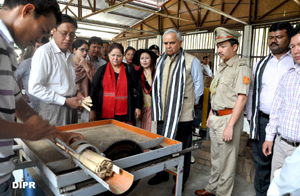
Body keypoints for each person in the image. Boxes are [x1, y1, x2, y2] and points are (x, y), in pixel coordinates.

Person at [0, 1, 83, 195]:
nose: (41, 38)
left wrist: (56, 134)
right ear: (27, 11)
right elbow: (34, 89)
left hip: (4, 173)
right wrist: (26, 131)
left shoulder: (7, 49)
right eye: (44, 30)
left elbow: (18, 102)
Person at [195, 27, 251, 196]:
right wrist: (211, 113)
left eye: (223, 45)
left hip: (229, 119)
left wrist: (230, 126)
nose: (219, 49)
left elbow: (242, 98)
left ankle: (222, 193)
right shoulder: (221, 67)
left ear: (234, 47)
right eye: (218, 46)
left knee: (227, 161)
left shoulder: (241, 67)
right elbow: (215, 92)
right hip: (217, 118)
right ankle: (212, 188)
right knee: (216, 157)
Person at [150, 29, 203, 193]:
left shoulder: (191, 61)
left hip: (182, 115)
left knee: (183, 149)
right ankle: (161, 174)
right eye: (165, 43)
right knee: (161, 146)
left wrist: (184, 103)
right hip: (162, 114)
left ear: (180, 43)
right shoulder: (161, 60)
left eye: (172, 42)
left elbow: (199, 89)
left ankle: (180, 179)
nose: (168, 46)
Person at [246, 22, 294, 196]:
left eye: (279, 37)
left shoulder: (295, 62)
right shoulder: (260, 63)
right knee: (262, 164)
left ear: (289, 38)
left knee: (286, 166)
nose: (274, 41)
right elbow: (252, 90)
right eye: (271, 37)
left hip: (288, 123)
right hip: (262, 120)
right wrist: (252, 118)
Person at [29, 14, 84, 126]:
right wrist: (64, 101)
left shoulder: (68, 54)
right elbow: (34, 88)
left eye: (72, 35)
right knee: (55, 141)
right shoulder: (44, 52)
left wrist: (77, 92)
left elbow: (68, 80)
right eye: (64, 34)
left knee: (71, 139)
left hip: (71, 105)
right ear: (54, 31)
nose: (68, 38)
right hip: (54, 108)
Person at [262, 24, 300, 183]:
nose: (296, 50)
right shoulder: (289, 76)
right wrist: (269, 137)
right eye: (293, 46)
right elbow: (277, 109)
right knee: (277, 187)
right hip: (281, 144)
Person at [89, 43, 142, 124]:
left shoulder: (129, 69)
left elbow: (138, 88)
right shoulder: (101, 70)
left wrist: (138, 107)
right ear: (109, 55)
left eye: (119, 56)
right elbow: (94, 90)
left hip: (125, 113)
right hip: (104, 112)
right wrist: (92, 110)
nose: (115, 58)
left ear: (123, 56)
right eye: (113, 55)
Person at [16, 38, 49, 113]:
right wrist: (20, 95)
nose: (41, 50)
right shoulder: (26, 64)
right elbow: (13, 79)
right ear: (34, 48)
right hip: (31, 104)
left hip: (47, 104)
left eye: (43, 47)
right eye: (38, 47)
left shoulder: (51, 64)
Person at [132, 49, 158, 132]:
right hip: (140, 109)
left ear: (151, 59)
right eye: (142, 58)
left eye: (147, 58)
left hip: (153, 109)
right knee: (140, 132)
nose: (144, 61)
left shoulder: (157, 74)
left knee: (152, 132)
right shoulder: (136, 74)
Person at [72, 39, 97, 122]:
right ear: (74, 50)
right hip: (72, 102)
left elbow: (95, 81)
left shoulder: (89, 64)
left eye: (86, 50)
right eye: (82, 49)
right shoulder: (68, 64)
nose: (85, 53)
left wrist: (85, 66)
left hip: (87, 102)